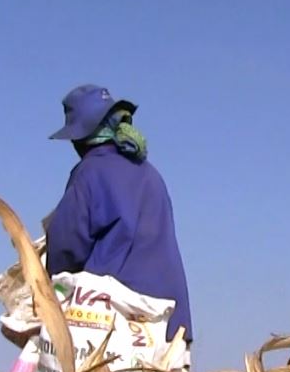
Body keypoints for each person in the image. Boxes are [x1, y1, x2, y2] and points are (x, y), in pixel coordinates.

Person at [44, 83, 193, 347]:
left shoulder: (89, 173)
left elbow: (66, 248)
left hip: (114, 325)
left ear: (81, 137)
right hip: (171, 329)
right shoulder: (151, 175)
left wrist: (46, 285)